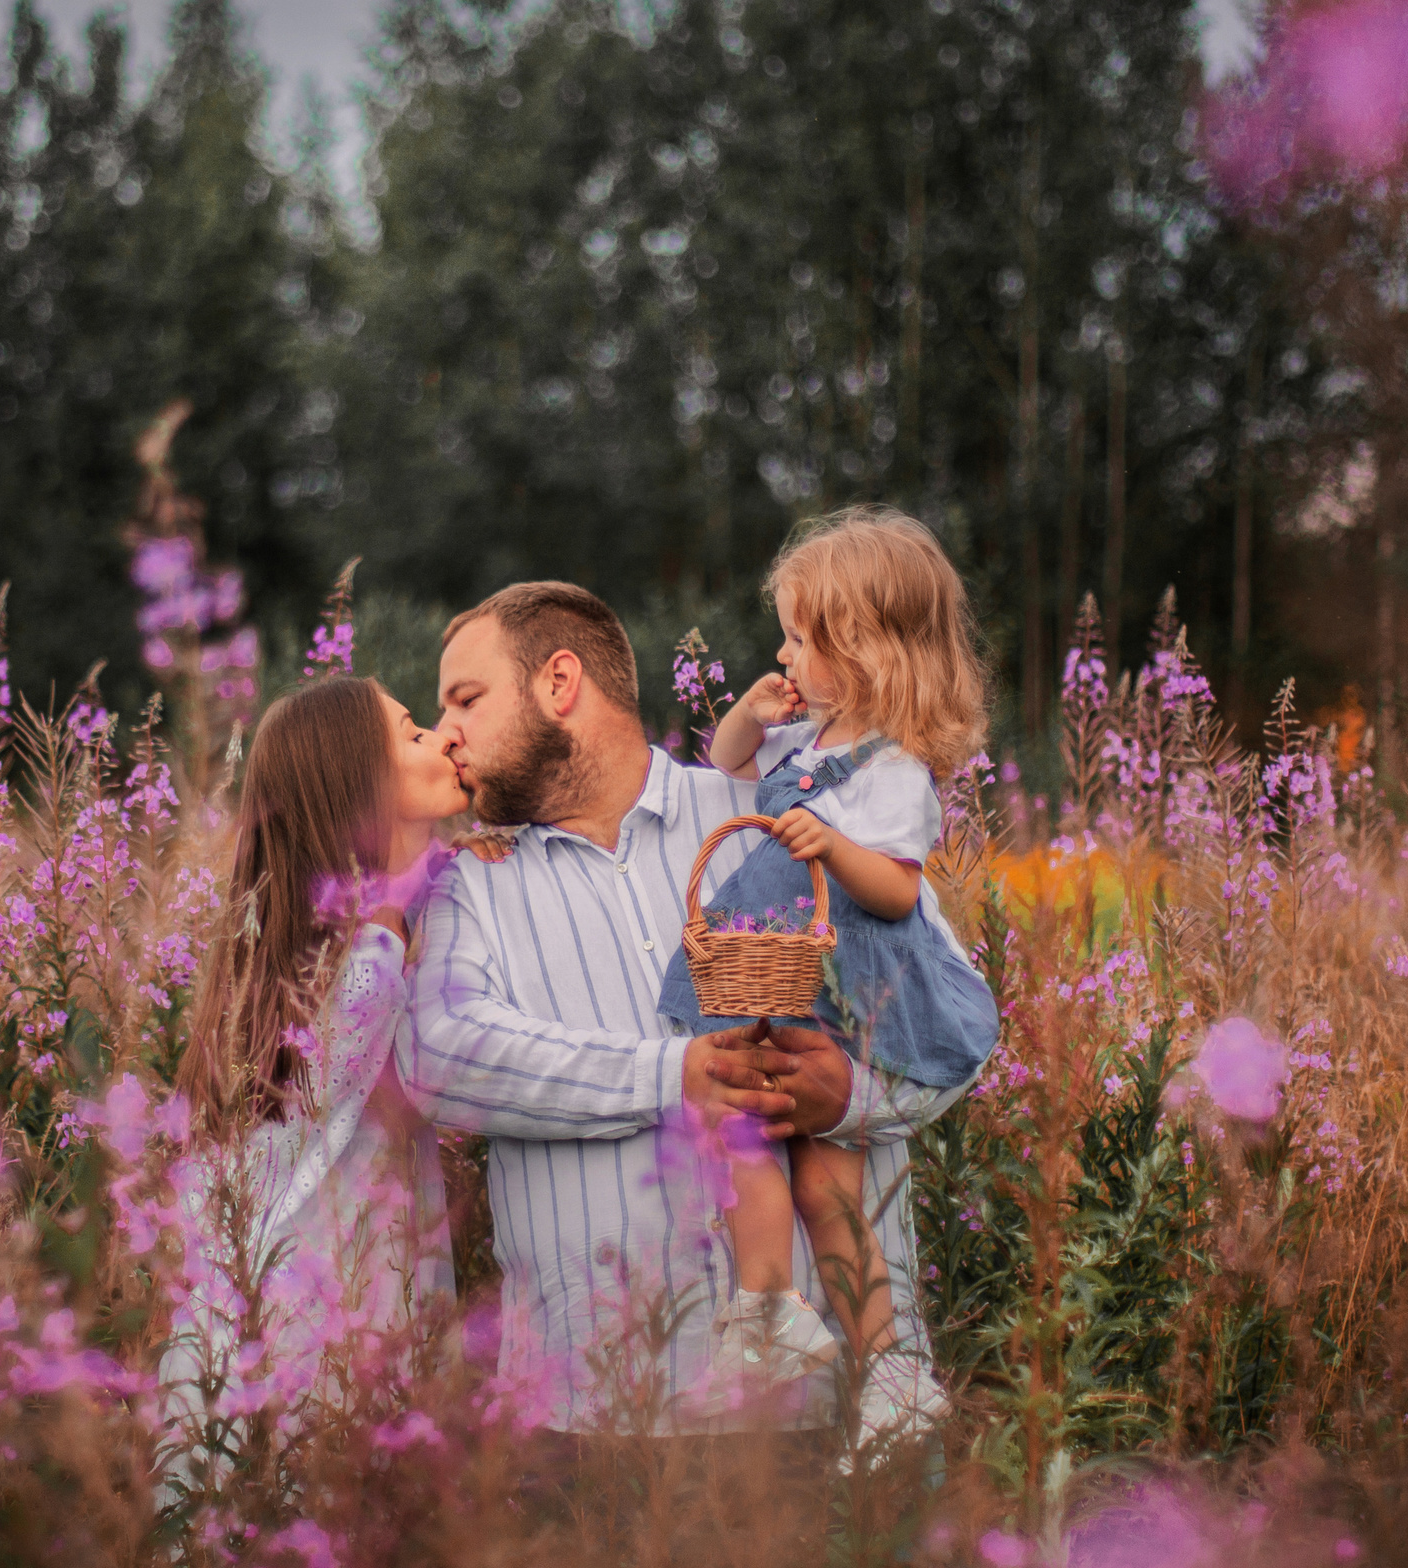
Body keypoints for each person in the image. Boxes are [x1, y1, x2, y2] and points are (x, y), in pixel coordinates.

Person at [398, 579, 979, 1465]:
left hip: (831, 1419)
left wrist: (852, 1097)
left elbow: (950, 1023)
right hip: (595, 1428)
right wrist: (672, 1078)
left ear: (561, 683)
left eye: (466, 699)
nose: (446, 734)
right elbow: (440, 1056)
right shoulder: (470, 884)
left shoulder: (786, 815)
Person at [660, 507, 999, 1446]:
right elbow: (725, 761)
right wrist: (748, 713)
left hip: (849, 998)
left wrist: (833, 842)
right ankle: (773, 1319)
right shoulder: (800, 740)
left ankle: (891, 1373)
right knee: (754, 1138)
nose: (784, 652)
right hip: (777, 975)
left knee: (826, 1189)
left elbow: (894, 891)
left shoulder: (894, 770)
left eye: (801, 638)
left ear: (862, 649)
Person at [156, 675, 468, 1501]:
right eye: (412, 733)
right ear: (361, 785)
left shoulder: (331, 951)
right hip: (316, 1344)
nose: (442, 735)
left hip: (328, 1322)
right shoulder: (368, 954)